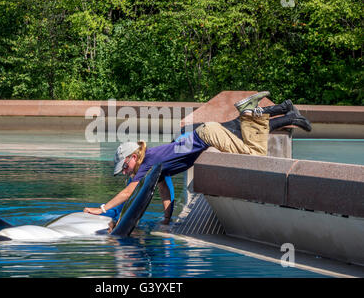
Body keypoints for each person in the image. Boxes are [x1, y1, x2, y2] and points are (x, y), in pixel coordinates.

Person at [83, 92, 311, 225]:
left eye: (124, 167)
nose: (125, 172)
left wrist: (102, 209)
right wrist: (167, 218)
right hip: (204, 133)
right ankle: (276, 113)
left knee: (255, 154)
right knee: (248, 140)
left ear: (133, 157)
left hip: (207, 135)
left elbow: (127, 193)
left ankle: (250, 112)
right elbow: (163, 190)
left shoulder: (146, 163)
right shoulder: (153, 163)